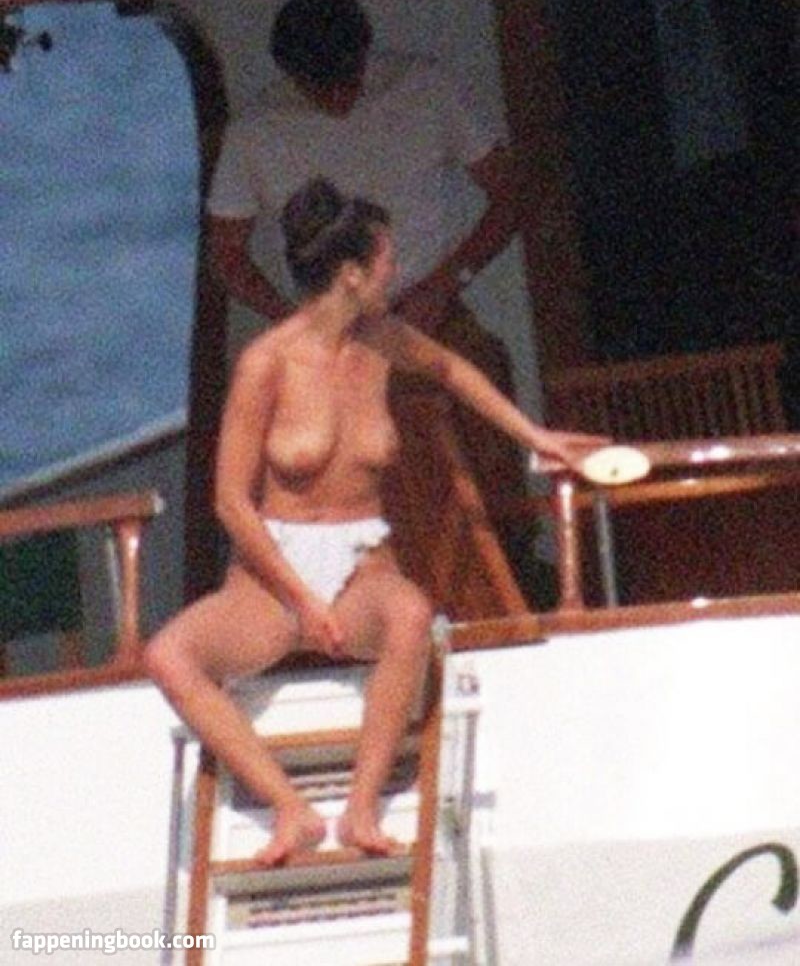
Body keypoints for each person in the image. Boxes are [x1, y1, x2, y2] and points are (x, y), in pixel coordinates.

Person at [146, 179, 605, 866]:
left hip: (362, 562)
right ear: (351, 274)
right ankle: (290, 810)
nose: (396, 269)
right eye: (387, 258)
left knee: (411, 616)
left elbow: (449, 369)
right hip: (273, 574)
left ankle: (362, 808)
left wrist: (534, 435)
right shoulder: (265, 363)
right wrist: (301, 600)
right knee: (168, 656)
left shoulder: (384, 341)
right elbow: (231, 503)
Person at [206, 0, 518, 332]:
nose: (339, 98)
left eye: (349, 80)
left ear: (364, 55)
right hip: (329, 333)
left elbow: (510, 193)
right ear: (292, 75)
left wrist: (444, 286)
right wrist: (298, 323)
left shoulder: (425, 88)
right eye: (320, 88)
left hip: (435, 319)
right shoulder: (254, 132)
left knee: (479, 361)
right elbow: (227, 252)